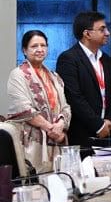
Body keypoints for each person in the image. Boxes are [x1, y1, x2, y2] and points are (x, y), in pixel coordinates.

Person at [7, 30, 71, 172]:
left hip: (55, 140)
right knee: (34, 185)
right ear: (24, 50)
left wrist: (60, 125)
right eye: (34, 46)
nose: (40, 49)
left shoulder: (55, 76)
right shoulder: (17, 75)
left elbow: (65, 107)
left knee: (57, 184)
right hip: (31, 141)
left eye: (43, 45)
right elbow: (23, 109)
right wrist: (50, 128)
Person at [56, 11, 111, 148]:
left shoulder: (106, 60)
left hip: (106, 132)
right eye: (102, 29)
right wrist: (98, 125)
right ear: (87, 34)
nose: (107, 33)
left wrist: (108, 121)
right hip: (81, 134)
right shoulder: (69, 59)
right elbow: (74, 97)